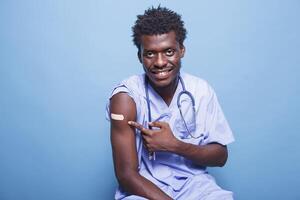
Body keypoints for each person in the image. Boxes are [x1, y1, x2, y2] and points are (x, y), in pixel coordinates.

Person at [106, 6, 235, 200]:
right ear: (140, 56)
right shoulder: (125, 99)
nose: (159, 62)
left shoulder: (201, 90)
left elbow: (220, 157)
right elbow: (126, 175)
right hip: (143, 189)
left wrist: (174, 145)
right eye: (150, 53)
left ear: (181, 50)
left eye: (168, 51)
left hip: (195, 185)